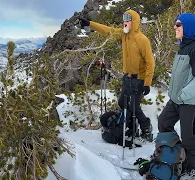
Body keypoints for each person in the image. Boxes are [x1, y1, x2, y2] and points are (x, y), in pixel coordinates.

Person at [79, 10, 155, 142]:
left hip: (139, 79)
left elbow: (150, 62)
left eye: (128, 20)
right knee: (122, 103)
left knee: (134, 107)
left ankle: (146, 129)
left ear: (135, 21)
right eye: (124, 20)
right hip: (128, 78)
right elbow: (107, 30)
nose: (125, 22)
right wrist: (90, 24)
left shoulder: (142, 39)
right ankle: (132, 128)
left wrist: (147, 83)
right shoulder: (123, 35)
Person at [157, 13, 195, 177]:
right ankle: (176, 155)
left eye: (178, 24)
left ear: (188, 27)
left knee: (189, 139)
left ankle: (191, 169)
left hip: (189, 102)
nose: (174, 27)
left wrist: (184, 94)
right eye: (175, 23)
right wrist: (176, 94)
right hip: (176, 100)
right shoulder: (183, 45)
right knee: (164, 123)